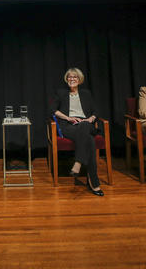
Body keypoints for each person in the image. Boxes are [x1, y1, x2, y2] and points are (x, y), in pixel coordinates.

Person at [50, 67, 104, 196]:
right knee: (89, 140)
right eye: (69, 77)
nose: (72, 79)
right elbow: (53, 110)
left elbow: (96, 111)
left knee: (85, 125)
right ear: (66, 79)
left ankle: (78, 162)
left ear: (79, 80)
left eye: (74, 77)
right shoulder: (61, 93)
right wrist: (68, 117)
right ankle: (94, 182)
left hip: (86, 124)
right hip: (69, 126)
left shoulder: (86, 93)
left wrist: (91, 118)